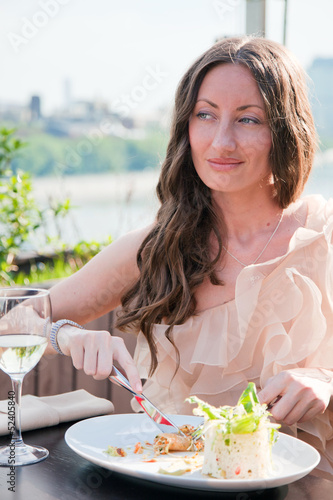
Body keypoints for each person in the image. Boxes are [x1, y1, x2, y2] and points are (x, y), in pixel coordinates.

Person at [46, 36, 333, 478]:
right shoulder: (156, 247)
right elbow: (16, 319)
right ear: (186, 125)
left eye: (248, 119)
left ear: (285, 129)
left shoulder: (323, 236)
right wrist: (66, 334)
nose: (222, 141)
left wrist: (326, 382)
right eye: (206, 115)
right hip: (174, 487)